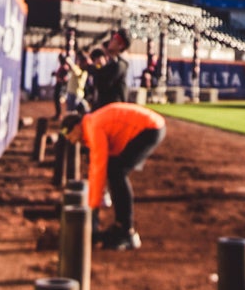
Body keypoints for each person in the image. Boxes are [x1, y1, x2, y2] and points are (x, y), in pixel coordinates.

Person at [60, 101, 166, 251]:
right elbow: (96, 167)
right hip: (149, 126)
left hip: (150, 128)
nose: (70, 140)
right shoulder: (90, 124)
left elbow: (98, 168)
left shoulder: (93, 128)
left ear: (77, 127)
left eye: (69, 135)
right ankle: (121, 225)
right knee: (114, 170)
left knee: (117, 173)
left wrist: (93, 207)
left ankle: (127, 233)